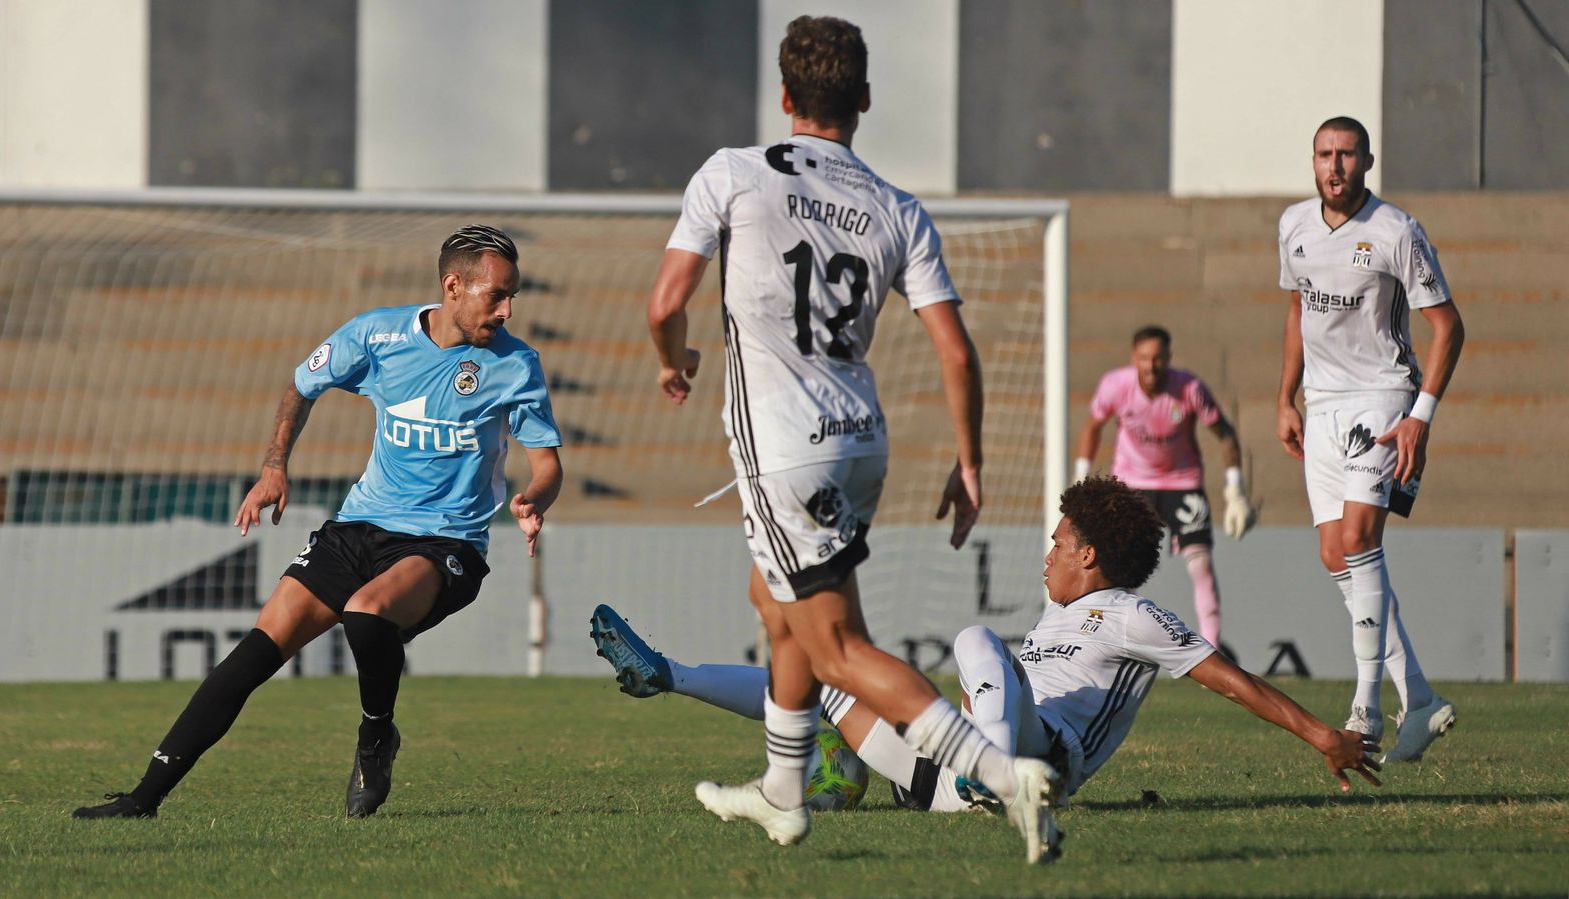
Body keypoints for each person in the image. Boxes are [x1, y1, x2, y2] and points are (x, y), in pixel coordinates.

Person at [630, 14, 1062, 864]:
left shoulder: (733, 173)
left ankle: (1003, 776)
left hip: (786, 445)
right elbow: (955, 351)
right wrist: (970, 461)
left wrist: (672, 360)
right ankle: (784, 790)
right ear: (864, 99)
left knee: (836, 649)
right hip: (862, 438)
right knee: (774, 601)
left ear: (783, 95)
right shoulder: (896, 207)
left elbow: (663, 303)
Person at [73, 225, 565, 819]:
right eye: (497, 295)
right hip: (359, 526)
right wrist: (273, 466)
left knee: (367, 611)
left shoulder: (516, 364)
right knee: (253, 655)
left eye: (513, 297)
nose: (507, 310)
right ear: (453, 286)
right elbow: (301, 385)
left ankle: (376, 735)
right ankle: (142, 799)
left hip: (446, 541)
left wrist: (534, 499)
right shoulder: (378, 334)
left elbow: (547, 465)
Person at [589, 476, 1381, 818]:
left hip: (1042, 759)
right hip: (940, 780)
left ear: (1088, 556)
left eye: (1057, 542)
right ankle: (668, 674)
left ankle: (991, 774)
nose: (1047, 555)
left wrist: (1323, 735)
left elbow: (1233, 679)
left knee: (975, 638)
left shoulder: (1131, 615)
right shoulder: (1056, 615)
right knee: (819, 675)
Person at [1276, 116, 1465, 762]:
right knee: (1335, 553)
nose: (1335, 166)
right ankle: (1419, 695)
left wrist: (1421, 415)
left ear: (1367, 161)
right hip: (1322, 404)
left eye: (1347, 154)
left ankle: (1366, 706)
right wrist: (1285, 397)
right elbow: (1297, 310)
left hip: (1382, 396)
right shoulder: (1293, 226)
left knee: (1359, 540)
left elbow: (1448, 326)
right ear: (1313, 161)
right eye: (1325, 154)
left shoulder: (1396, 231)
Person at [1076, 325, 1254, 655]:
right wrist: (1081, 480)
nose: (1151, 366)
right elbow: (1092, 427)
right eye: (1144, 358)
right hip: (1131, 485)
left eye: (1158, 358)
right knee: (1119, 571)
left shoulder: (1189, 389)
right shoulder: (1115, 386)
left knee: (1201, 565)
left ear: (1168, 358)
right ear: (1134, 358)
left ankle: (1211, 651)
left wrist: (1235, 491)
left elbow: (1225, 434)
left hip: (1182, 483)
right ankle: (1114, 649)